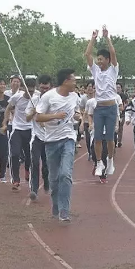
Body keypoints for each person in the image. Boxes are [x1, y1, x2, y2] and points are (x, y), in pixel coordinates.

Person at [36, 69, 81, 222]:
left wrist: (78, 115)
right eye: (73, 80)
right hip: (51, 142)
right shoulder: (49, 96)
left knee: (65, 174)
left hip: (68, 138)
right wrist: (55, 115)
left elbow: (76, 112)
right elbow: (38, 117)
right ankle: (56, 205)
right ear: (65, 81)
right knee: (54, 179)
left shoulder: (75, 96)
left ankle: (64, 210)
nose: (75, 82)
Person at [84, 25, 118, 176]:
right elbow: (87, 54)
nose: (98, 61)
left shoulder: (113, 69)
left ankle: (110, 160)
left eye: (101, 59)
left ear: (107, 60)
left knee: (110, 138)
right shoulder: (95, 70)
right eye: (97, 59)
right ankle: (99, 162)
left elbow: (113, 52)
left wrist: (106, 37)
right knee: (97, 137)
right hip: (99, 108)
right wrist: (93, 38)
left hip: (111, 108)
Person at [1, 78, 36, 191]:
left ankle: (27, 171)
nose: (30, 93)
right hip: (17, 129)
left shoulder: (36, 99)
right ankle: (15, 179)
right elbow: (8, 108)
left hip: (30, 130)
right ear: (23, 88)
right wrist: (5, 122)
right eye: (28, 91)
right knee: (15, 154)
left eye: (32, 91)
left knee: (29, 155)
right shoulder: (17, 97)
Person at [25, 75, 52, 201]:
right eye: (42, 87)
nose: (44, 90)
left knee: (46, 165)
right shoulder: (34, 99)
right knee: (34, 162)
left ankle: (46, 181)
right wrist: (33, 112)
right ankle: (34, 189)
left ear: (50, 86)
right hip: (36, 137)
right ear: (39, 87)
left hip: (50, 137)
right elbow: (27, 118)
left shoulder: (54, 99)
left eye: (46, 87)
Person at [79, 81, 95, 160]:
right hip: (86, 121)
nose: (90, 88)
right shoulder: (84, 98)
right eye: (88, 86)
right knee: (88, 138)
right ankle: (90, 152)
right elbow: (81, 108)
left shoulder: (97, 98)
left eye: (91, 87)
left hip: (96, 121)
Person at [116, 82, 128, 148]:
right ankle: (114, 139)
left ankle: (119, 141)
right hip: (114, 114)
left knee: (120, 127)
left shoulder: (124, 95)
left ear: (121, 89)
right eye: (116, 87)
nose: (117, 89)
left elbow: (127, 102)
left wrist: (124, 106)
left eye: (119, 87)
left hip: (122, 114)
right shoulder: (112, 95)